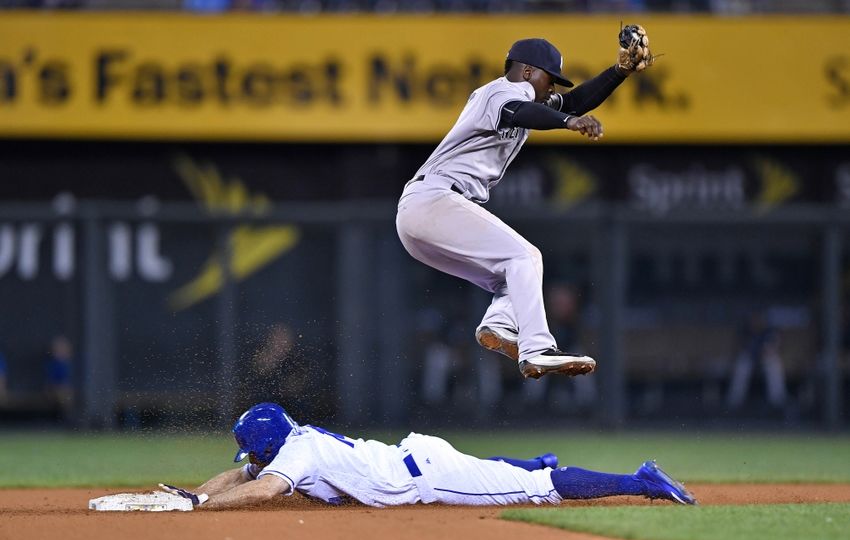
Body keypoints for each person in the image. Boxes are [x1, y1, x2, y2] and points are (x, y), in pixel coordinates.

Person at [395, 29, 654, 379]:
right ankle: (537, 349)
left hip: (424, 217)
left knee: (511, 279)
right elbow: (519, 112)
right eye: (551, 79)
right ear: (529, 71)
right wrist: (568, 122)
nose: (553, 88)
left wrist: (618, 73)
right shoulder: (501, 91)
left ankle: (498, 325)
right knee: (526, 257)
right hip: (434, 199)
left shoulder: (526, 96)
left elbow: (575, 100)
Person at [158, 402, 696, 509]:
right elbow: (242, 473)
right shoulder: (298, 443)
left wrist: (205, 509)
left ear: (269, 444)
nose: (250, 460)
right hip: (415, 456)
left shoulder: (294, 458)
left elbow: (265, 487)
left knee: (541, 490)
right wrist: (197, 494)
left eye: (255, 451)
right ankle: (529, 461)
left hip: (424, 478)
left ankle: (640, 480)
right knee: (505, 473)